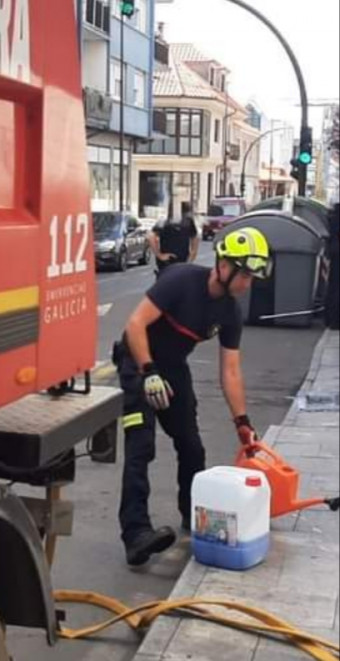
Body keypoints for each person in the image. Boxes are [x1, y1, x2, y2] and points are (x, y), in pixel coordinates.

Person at [112, 227, 273, 566]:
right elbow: (135, 324)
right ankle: (136, 534)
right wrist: (148, 371)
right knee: (141, 446)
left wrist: (242, 423)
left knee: (191, 446)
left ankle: (193, 516)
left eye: (252, 276)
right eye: (244, 273)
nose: (248, 283)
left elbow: (230, 370)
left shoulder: (230, 313)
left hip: (173, 370)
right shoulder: (181, 281)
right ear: (223, 266)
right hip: (139, 364)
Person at [149, 202, 200, 278]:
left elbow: (195, 237)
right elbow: (151, 236)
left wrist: (159, 255)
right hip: (172, 262)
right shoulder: (166, 221)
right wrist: (159, 255)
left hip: (172, 262)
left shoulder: (186, 221)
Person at [326, 202, 339, 330]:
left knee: (334, 285)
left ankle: (331, 319)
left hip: (335, 252)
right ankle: (335, 319)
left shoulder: (334, 213)